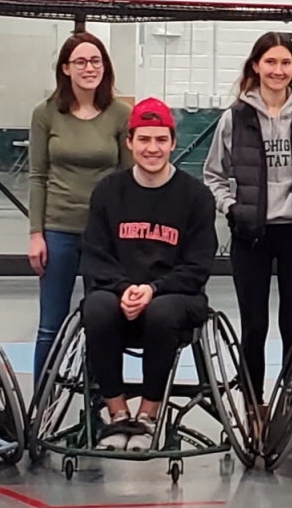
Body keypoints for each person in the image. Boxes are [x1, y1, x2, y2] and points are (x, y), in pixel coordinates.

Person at [203, 32, 292, 403]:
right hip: (252, 234)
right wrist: (231, 207)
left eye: (285, 63)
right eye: (270, 62)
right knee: (254, 324)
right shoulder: (235, 118)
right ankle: (254, 403)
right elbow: (213, 174)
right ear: (256, 66)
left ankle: (290, 402)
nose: (278, 70)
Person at [82, 99, 217, 451]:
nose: (152, 148)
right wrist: (125, 288)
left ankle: (147, 415)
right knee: (95, 308)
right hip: (118, 295)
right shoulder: (108, 192)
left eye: (160, 140)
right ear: (129, 142)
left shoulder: (196, 196)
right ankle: (116, 412)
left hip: (174, 298)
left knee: (161, 313)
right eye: (144, 140)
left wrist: (154, 289)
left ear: (173, 142)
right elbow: (95, 256)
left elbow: (199, 265)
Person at [29, 32, 132, 371]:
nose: (89, 68)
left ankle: (100, 402)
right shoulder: (45, 114)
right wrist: (35, 233)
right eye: (81, 62)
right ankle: (41, 409)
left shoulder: (120, 114)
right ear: (66, 68)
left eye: (95, 61)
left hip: (104, 235)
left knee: (101, 322)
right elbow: (37, 176)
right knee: (50, 326)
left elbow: (128, 177)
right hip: (58, 230)